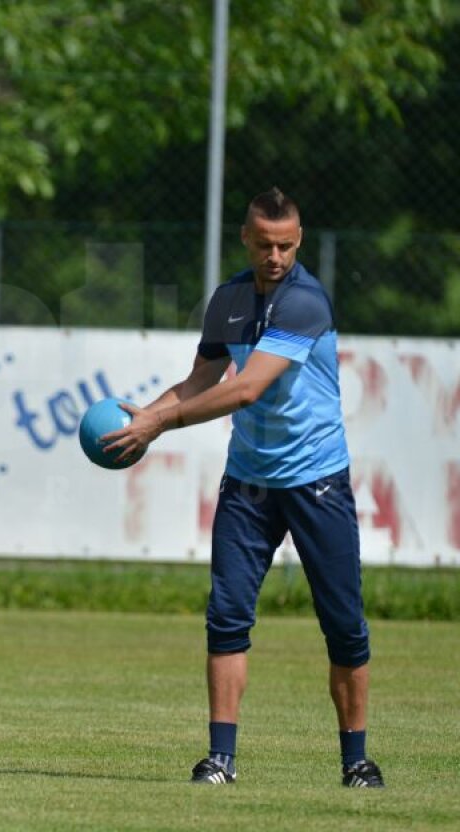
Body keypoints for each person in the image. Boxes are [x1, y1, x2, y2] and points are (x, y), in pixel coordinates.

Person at [104, 188, 383, 788]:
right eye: (264, 244)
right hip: (249, 484)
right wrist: (144, 421)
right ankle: (220, 760)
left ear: (299, 240)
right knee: (227, 616)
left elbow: (246, 387)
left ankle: (356, 761)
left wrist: (163, 421)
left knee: (343, 623)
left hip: (316, 481)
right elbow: (201, 378)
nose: (275, 255)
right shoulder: (228, 299)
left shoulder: (305, 302)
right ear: (245, 238)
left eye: (285, 244)